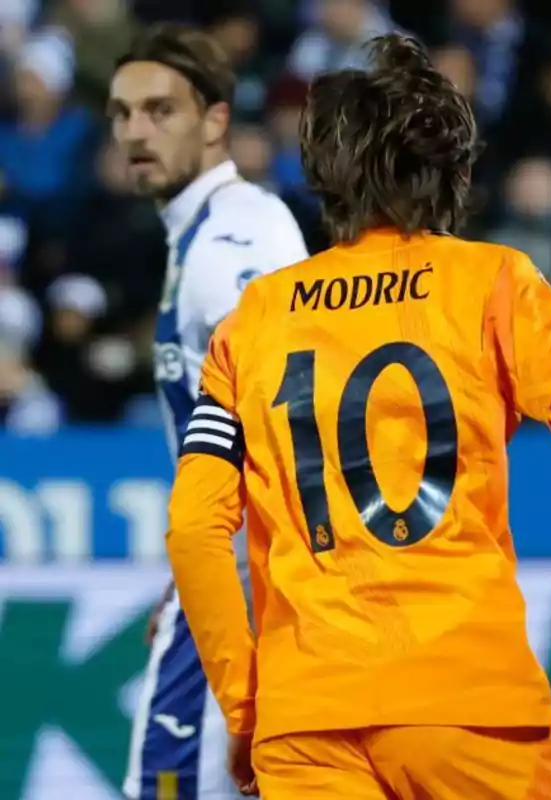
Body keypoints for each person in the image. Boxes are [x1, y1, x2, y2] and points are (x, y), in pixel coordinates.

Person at [162, 33, 551, 799]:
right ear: (453, 172)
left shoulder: (250, 321)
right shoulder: (494, 283)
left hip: (308, 724)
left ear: (326, 175)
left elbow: (194, 529)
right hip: (469, 705)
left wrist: (249, 708)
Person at [107, 24, 310, 800]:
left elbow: (292, 418)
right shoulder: (207, 233)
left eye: (160, 111)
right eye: (122, 115)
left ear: (216, 120)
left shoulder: (230, 244)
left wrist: (229, 585)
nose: (136, 133)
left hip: (253, 590)